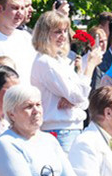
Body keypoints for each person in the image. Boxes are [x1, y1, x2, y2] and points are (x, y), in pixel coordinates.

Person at [30, 10, 101, 152]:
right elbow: (79, 95)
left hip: (70, 129)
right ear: (44, 34)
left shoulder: (59, 60)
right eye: (57, 31)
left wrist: (74, 101)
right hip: (60, 131)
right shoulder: (45, 62)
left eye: (64, 31)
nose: (63, 36)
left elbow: (83, 100)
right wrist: (90, 66)